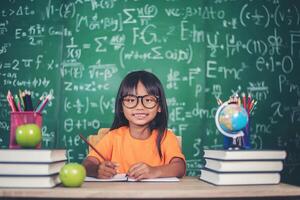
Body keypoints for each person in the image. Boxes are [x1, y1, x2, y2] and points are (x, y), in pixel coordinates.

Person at [82, 70, 186, 180]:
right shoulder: (113, 137)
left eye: (148, 100)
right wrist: (96, 170)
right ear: (121, 106)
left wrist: (154, 171)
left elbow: (180, 167)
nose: (140, 106)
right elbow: (87, 164)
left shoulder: (165, 137)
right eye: (131, 100)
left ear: (159, 106)